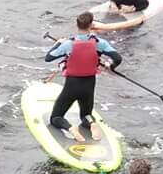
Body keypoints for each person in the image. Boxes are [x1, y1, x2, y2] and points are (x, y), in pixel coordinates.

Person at [43, 16, 122, 145]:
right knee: (86, 114)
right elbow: (117, 58)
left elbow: (48, 58)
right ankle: (91, 123)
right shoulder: (100, 43)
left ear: (77, 25)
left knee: (56, 117)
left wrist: (58, 43)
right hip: (89, 85)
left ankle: (70, 127)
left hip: (72, 85)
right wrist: (110, 66)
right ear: (91, 25)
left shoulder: (68, 44)